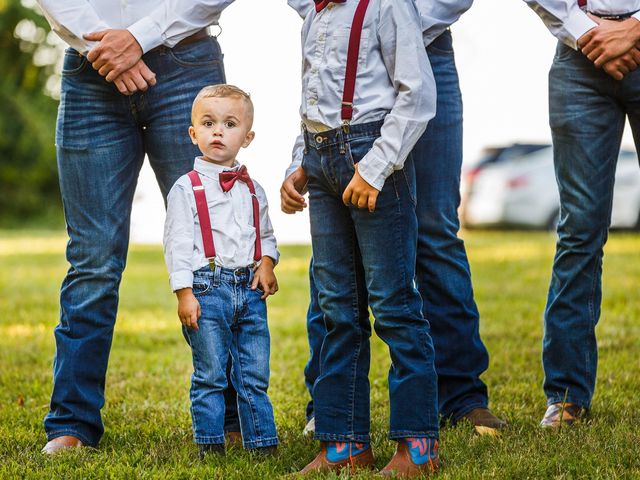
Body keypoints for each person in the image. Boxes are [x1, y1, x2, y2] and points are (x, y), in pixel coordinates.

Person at [284, 0, 506, 437]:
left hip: (425, 46)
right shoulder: (319, 15)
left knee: (435, 233)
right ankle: (331, 412)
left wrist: (390, 15)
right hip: (342, 51)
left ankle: (460, 398)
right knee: (337, 266)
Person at [36, 0, 234, 454]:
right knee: (93, 259)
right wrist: (106, 47)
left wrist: (139, 38)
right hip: (91, 70)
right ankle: (72, 421)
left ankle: (230, 415)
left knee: (213, 248)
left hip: (187, 66)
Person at [281, 0, 440, 476]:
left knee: (393, 304)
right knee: (336, 309)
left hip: (375, 158)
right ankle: (345, 443)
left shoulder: (387, 6)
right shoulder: (313, 16)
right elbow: (313, 101)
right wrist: (299, 164)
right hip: (322, 156)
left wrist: (373, 169)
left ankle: (418, 445)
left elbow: (417, 95)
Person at [524, 0, 640, 427]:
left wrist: (636, 29)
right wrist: (586, 32)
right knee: (579, 230)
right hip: (578, 60)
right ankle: (567, 394)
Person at [163, 84, 279, 457]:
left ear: (247, 137)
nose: (218, 131)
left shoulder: (253, 189)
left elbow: (265, 234)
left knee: (253, 374)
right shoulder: (186, 188)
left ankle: (261, 443)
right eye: (208, 123)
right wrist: (184, 293)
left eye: (229, 124)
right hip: (207, 290)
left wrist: (267, 263)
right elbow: (178, 243)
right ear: (193, 133)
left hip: (249, 290)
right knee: (211, 374)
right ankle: (210, 444)